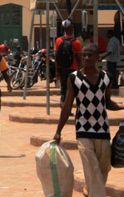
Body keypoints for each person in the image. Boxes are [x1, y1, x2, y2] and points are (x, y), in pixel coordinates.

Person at [53, 43, 124, 197]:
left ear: (98, 57)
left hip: (103, 129)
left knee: (104, 167)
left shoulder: (106, 78)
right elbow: (67, 106)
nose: (86, 57)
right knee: (91, 167)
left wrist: (122, 106)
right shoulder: (75, 78)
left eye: (90, 55)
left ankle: (89, 189)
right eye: (84, 54)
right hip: (83, 130)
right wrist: (58, 131)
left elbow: (108, 102)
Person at [55, 19, 83, 108]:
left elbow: (56, 57)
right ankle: (69, 107)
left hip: (62, 68)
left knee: (63, 88)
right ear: (72, 30)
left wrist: (57, 71)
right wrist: (81, 69)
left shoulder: (58, 40)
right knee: (72, 89)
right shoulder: (76, 42)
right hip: (73, 69)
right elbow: (79, 58)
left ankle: (63, 104)